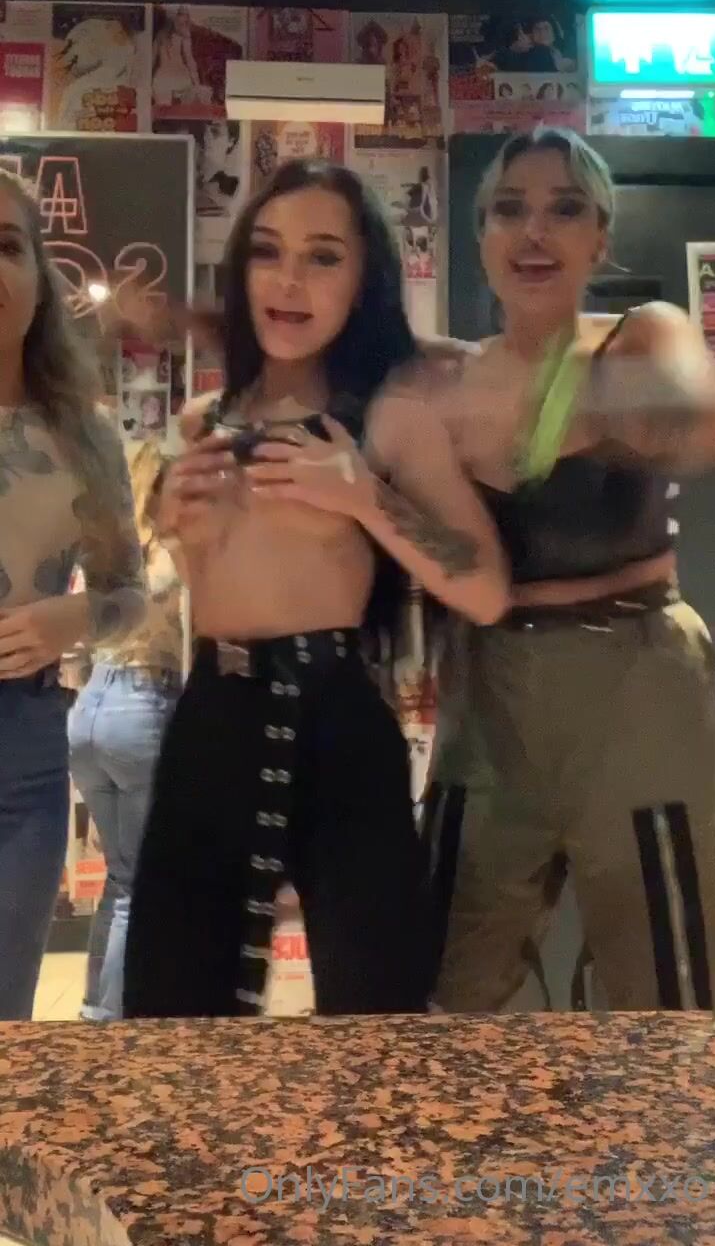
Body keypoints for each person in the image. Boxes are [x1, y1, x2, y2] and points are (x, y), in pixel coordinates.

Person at [123, 159, 508, 1020]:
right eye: (268, 252)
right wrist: (176, 526)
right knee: (172, 1012)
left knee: (376, 1016)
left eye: (323, 256)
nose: (289, 280)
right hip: (212, 714)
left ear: (363, 278)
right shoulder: (202, 421)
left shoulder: (388, 417)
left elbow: (486, 590)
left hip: (338, 721)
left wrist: (365, 499)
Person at [387, 127, 715, 1013]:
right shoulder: (443, 376)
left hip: (638, 686)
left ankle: (670, 1115)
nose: (534, 232)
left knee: (670, 985)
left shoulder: (643, 334)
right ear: (481, 236)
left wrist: (588, 414)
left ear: (600, 238)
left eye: (564, 209)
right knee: (446, 983)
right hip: (490, 694)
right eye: (510, 209)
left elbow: (696, 421)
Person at [0, 170, 145, 1020]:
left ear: (38, 274)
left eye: (6, 245)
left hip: (22, 749)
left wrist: (75, 617)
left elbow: (131, 595)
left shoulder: (82, 435)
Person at [68, 442, 182, 1022]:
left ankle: (95, 1011)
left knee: (119, 880)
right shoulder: (169, 553)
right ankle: (115, 1025)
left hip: (89, 706)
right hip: (141, 701)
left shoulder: (106, 557)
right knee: (138, 887)